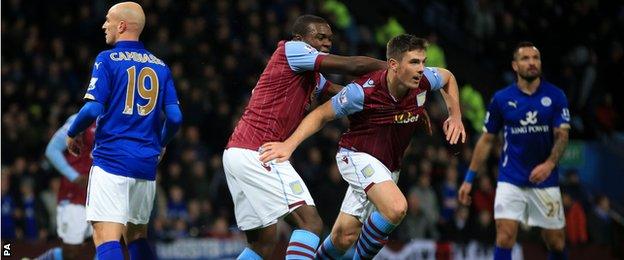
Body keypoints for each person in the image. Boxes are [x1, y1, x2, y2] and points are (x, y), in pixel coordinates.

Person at [259, 34, 465, 259]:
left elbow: (448, 77)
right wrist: (288, 146)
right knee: (396, 207)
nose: (421, 69)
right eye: (414, 62)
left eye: (423, 62)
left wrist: (455, 116)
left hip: (388, 167)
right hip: (357, 156)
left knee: (343, 237)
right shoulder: (363, 91)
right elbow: (321, 115)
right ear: (394, 65)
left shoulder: (423, 80)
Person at [222, 14, 386, 259]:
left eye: (330, 38)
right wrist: (394, 68)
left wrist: (391, 104)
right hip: (259, 152)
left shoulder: (311, 76)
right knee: (310, 223)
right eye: (319, 37)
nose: (327, 42)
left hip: (236, 153)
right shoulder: (292, 50)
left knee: (262, 244)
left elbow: (345, 95)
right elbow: (354, 66)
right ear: (300, 38)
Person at [65, 2, 182, 259]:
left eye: (108, 20)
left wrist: (73, 132)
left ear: (122, 25)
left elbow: (92, 109)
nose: (103, 25)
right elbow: (175, 118)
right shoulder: (161, 66)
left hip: (111, 161)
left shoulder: (107, 59)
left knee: (106, 236)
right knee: (137, 235)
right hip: (145, 165)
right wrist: (161, 143)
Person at [458, 42, 570, 260]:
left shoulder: (556, 96)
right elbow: (487, 139)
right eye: (525, 58)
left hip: (545, 179)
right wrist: (469, 178)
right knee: (505, 236)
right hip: (511, 178)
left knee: (556, 242)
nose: (531, 62)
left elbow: (562, 136)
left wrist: (549, 164)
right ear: (514, 65)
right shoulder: (501, 99)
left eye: (535, 58)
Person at [37, 115, 95, 259]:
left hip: (98, 194)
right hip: (74, 195)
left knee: (101, 243)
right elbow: (52, 149)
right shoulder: (80, 119)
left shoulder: (116, 119)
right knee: (72, 250)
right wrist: (74, 176)